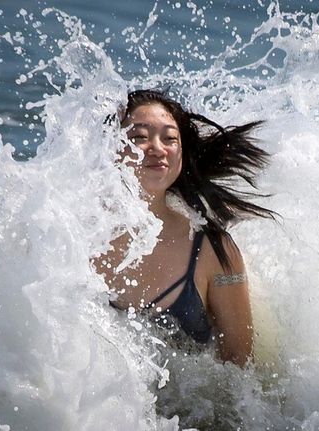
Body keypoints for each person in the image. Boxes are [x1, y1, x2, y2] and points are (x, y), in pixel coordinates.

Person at [93, 89, 274, 367]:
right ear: (112, 148)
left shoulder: (214, 250)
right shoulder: (77, 236)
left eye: (170, 138)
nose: (157, 147)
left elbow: (239, 370)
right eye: (139, 137)